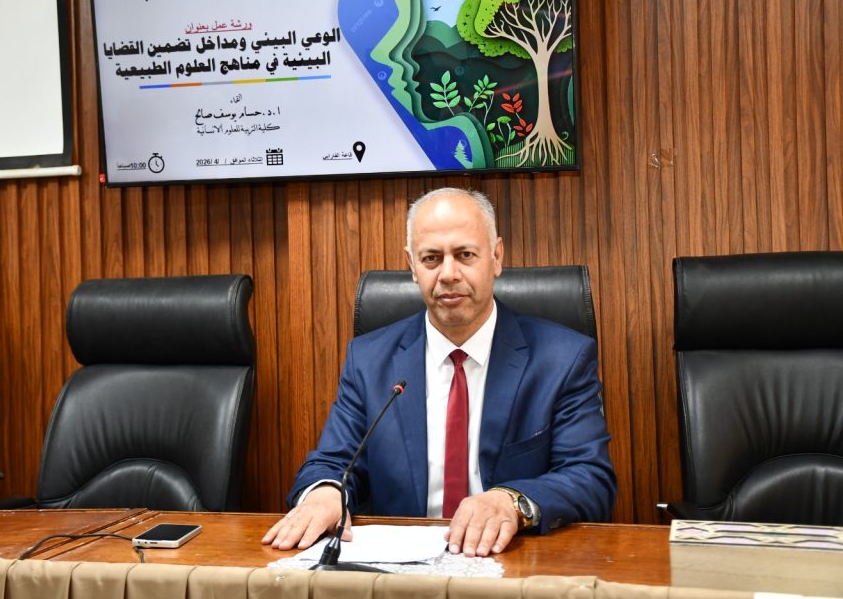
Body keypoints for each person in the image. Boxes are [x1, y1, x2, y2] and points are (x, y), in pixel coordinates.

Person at [262, 187, 615, 557]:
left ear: (496, 257)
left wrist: (511, 502)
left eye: (465, 255)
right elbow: (333, 462)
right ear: (412, 266)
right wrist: (324, 493)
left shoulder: (562, 358)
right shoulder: (369, 360)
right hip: (399, 570)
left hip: (511, 562)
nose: (448, 274)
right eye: (431, 258)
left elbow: (590, 478)